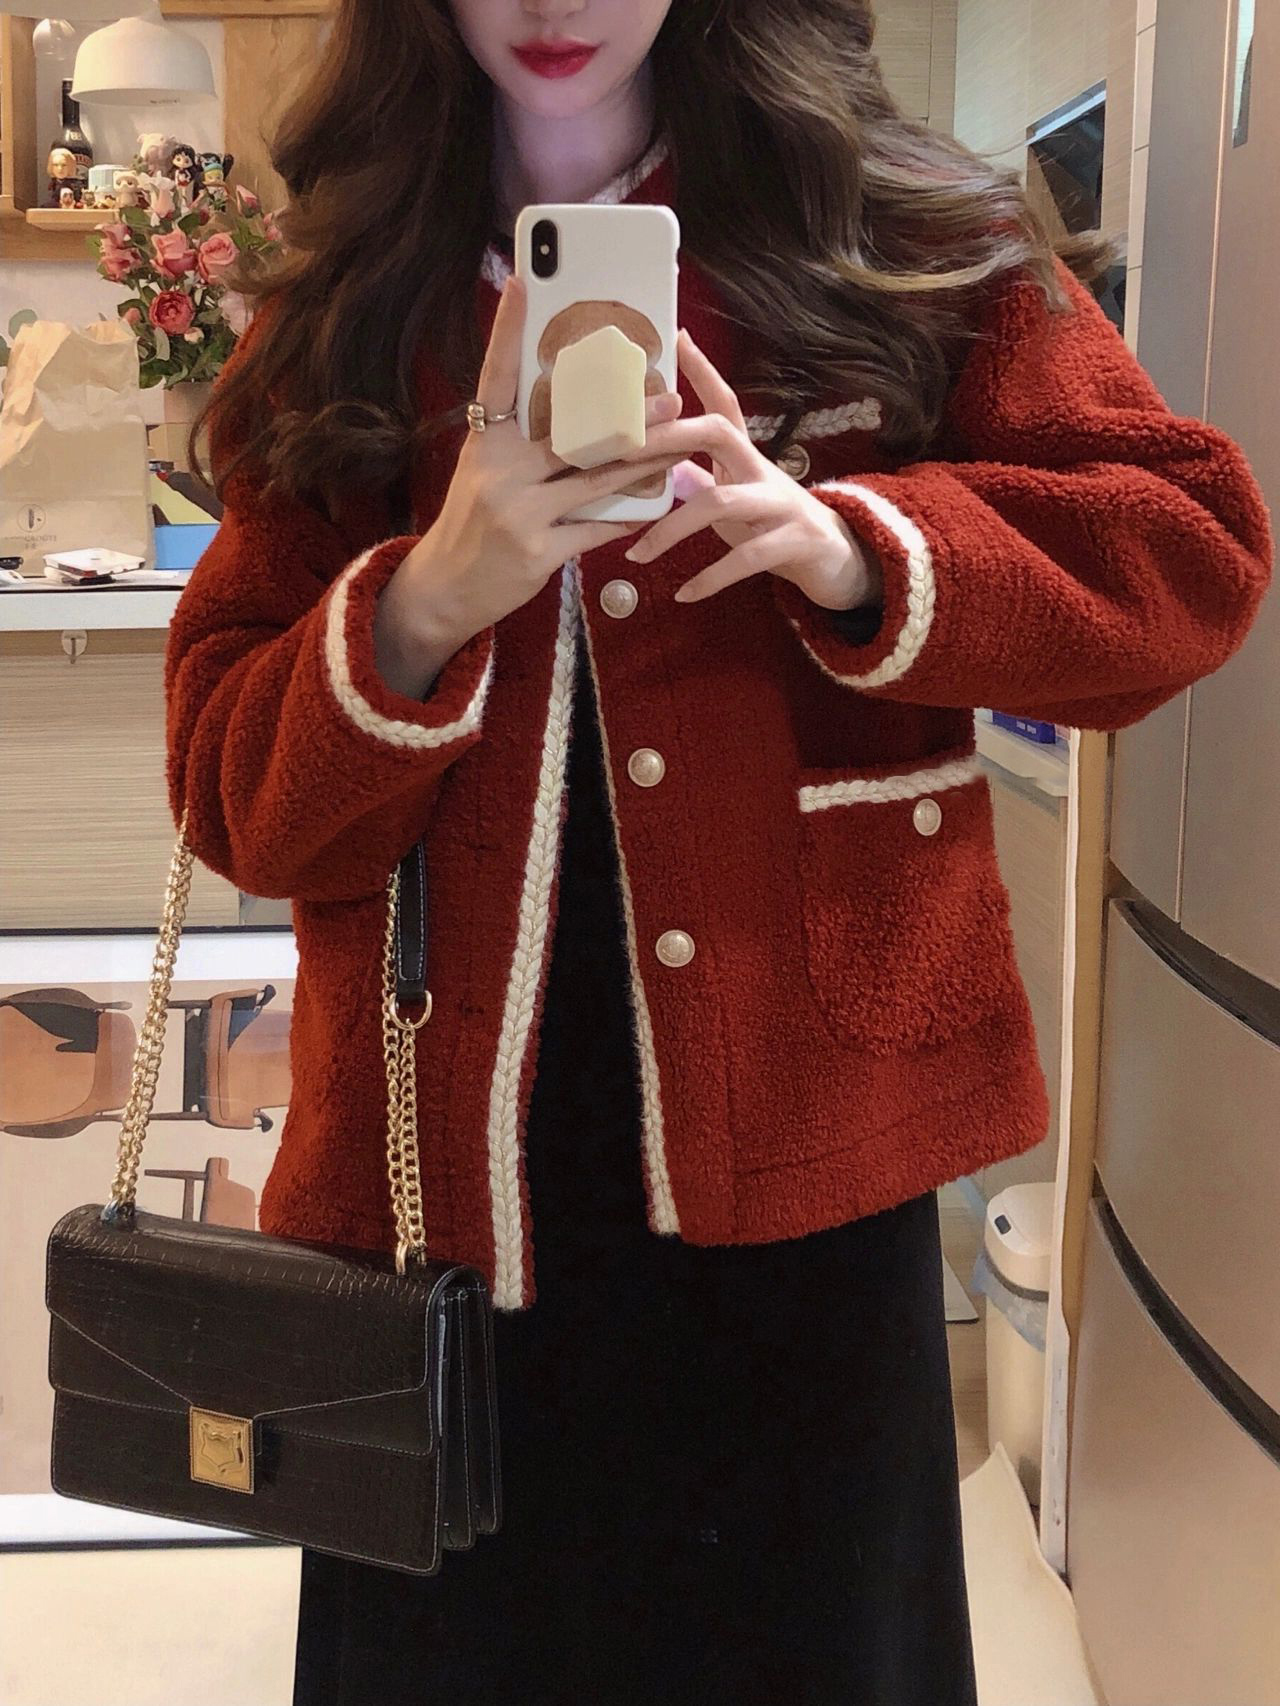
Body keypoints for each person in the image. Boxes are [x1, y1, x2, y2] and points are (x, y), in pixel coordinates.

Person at [167, 1, 1272, 1700]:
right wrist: (422, 601)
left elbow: (1191, 552)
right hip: (446, 1215)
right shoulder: (349, 305)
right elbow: (230, 797)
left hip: (808, 1196)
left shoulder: (892, 238)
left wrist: (856, 548)